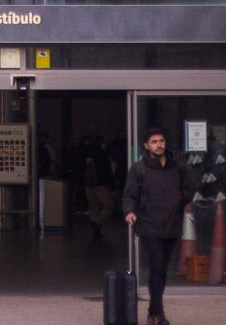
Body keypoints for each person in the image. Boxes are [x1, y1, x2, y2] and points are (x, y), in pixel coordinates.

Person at [123, 128, 194, 325]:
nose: (159, 145)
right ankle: (158, 312)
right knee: (157, 265)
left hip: (171, 224)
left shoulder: (178, 167)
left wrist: (178, 201)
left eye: (161, 141)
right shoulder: (139, 169)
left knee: (161, 270)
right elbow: (129, 194)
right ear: (146, 146)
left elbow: (188, 189)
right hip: (148, 225)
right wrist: (129, 211)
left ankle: (153, 311)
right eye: (154, 141)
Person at [82, 133, 117, 239]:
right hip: (101, 185)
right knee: (109, 206)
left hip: (88, 184)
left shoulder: (84, 153)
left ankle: (94, 227)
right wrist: (112, 185)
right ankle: (97, 223)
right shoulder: (102, 154)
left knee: (93, 206)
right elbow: (107, 171)